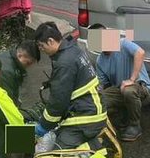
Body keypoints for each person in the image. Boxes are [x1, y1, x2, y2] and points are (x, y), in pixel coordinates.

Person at [33, 21, 107, 149]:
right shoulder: (72, 50)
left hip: (86, 118)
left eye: (41, 45)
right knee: (54, 137)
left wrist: (44, 126)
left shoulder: (64, 63)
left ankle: (93, 148)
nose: (41, 49)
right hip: (92, 108)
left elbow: (58, 101)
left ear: (50, 41)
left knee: (58, 151)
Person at [91, 25, 150, 142]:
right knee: (97, 100)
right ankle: (122, 115)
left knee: (128, 90)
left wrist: (132, 79)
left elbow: (140, 53)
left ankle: (135, 125)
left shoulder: (123, 43)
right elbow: (103, 86)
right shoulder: (100, 60)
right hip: (120, 89)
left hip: (142, 89)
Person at [0, 41, 41, 107]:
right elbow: (7, 100)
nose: (29, 67)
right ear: (20, 55)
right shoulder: (7, 72)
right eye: (28, 63)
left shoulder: (8, 55)